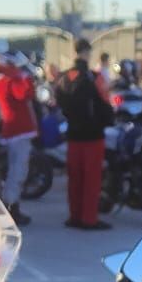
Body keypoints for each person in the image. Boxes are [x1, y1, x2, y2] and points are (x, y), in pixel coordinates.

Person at [53, 47, 113, 231]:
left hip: (73, 134)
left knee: (75, 178)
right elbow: (105, 100)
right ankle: (89, 219)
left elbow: (59, 99)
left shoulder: (66, 76)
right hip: (93, 135)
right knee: (92, 179)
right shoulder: (95, 77)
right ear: (88, 53)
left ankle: (75, 216)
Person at [0, 52, 39, 223]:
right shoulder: (7, 82)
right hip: (18, 132)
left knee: (16, 172)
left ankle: (12, 206)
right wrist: (25, 78)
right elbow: (24, 94)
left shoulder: (3, 81)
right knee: (16, 173)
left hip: (16, 132)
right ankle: (11, 208)